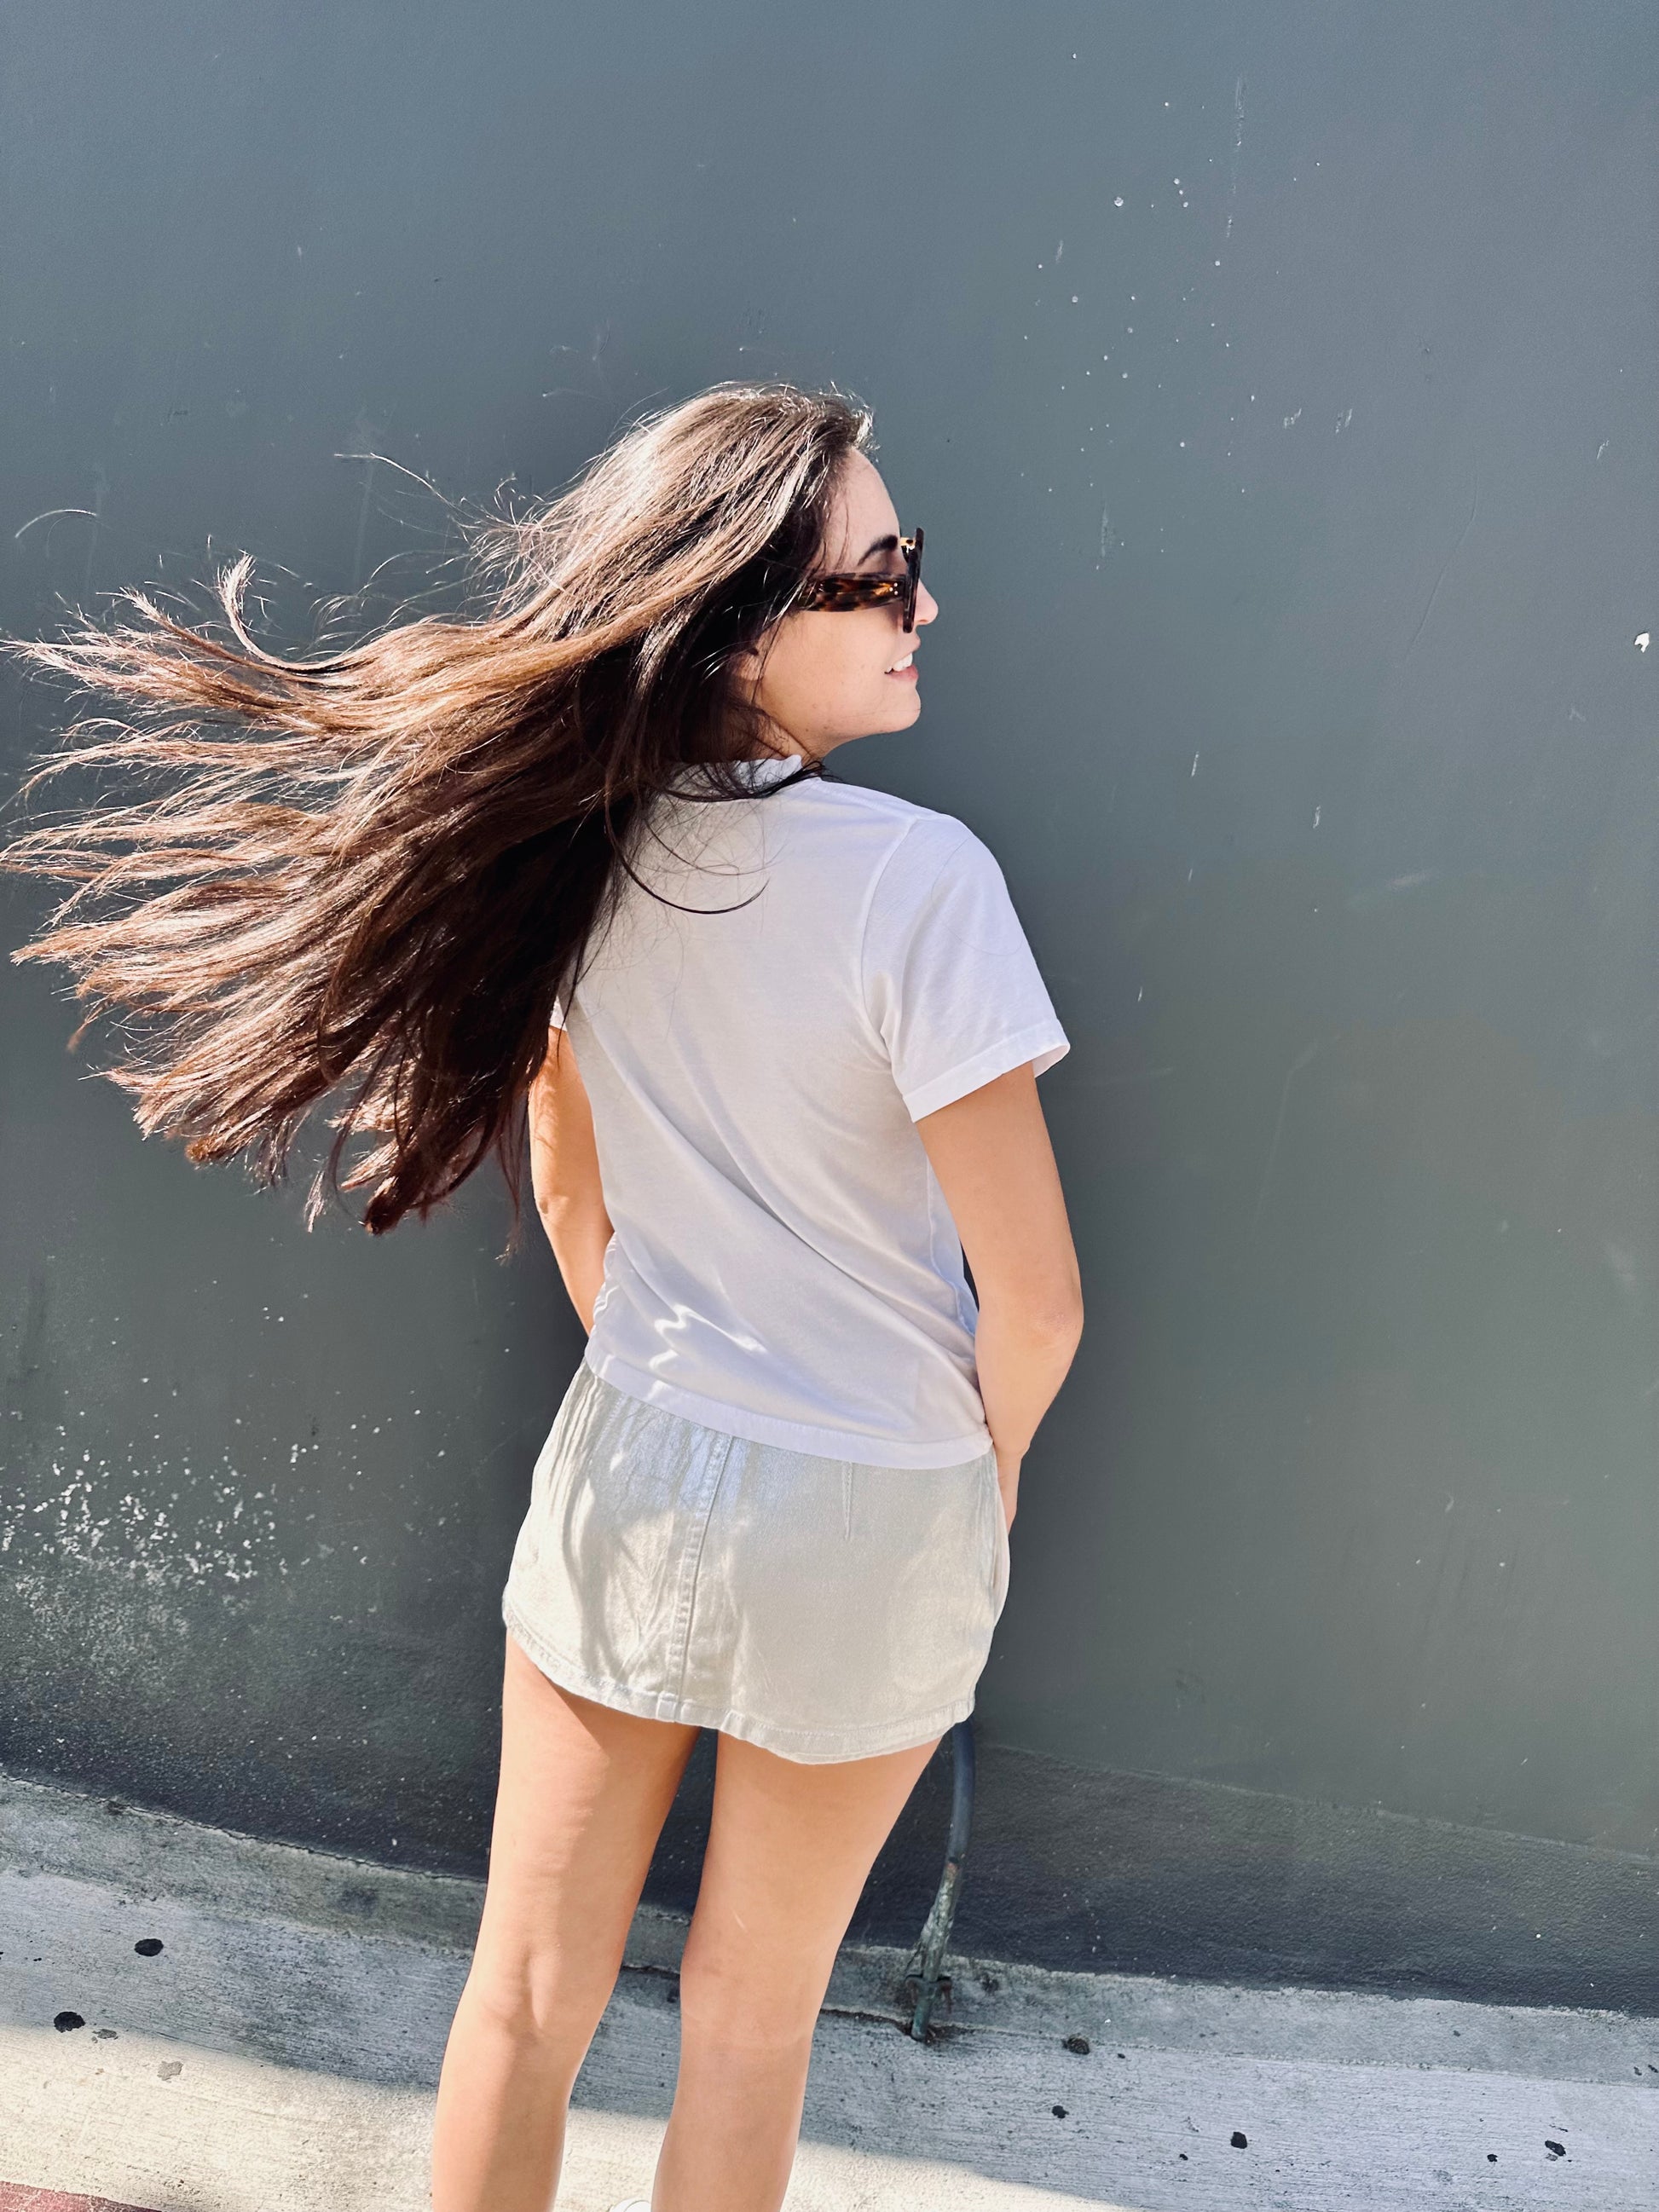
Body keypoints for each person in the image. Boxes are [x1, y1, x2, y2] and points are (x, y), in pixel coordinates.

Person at [3, 382, 1084, 2212]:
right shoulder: (923, 884)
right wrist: (966, 1484)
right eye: (879, 573)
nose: (923, 602)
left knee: (521, 1989)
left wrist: (673, 1370)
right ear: (737, 625)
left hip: (639, 1460)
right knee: (752, 2021)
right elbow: (1035, 1305)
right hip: (878, 1498)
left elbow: (579, 1202)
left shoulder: (574, 857)